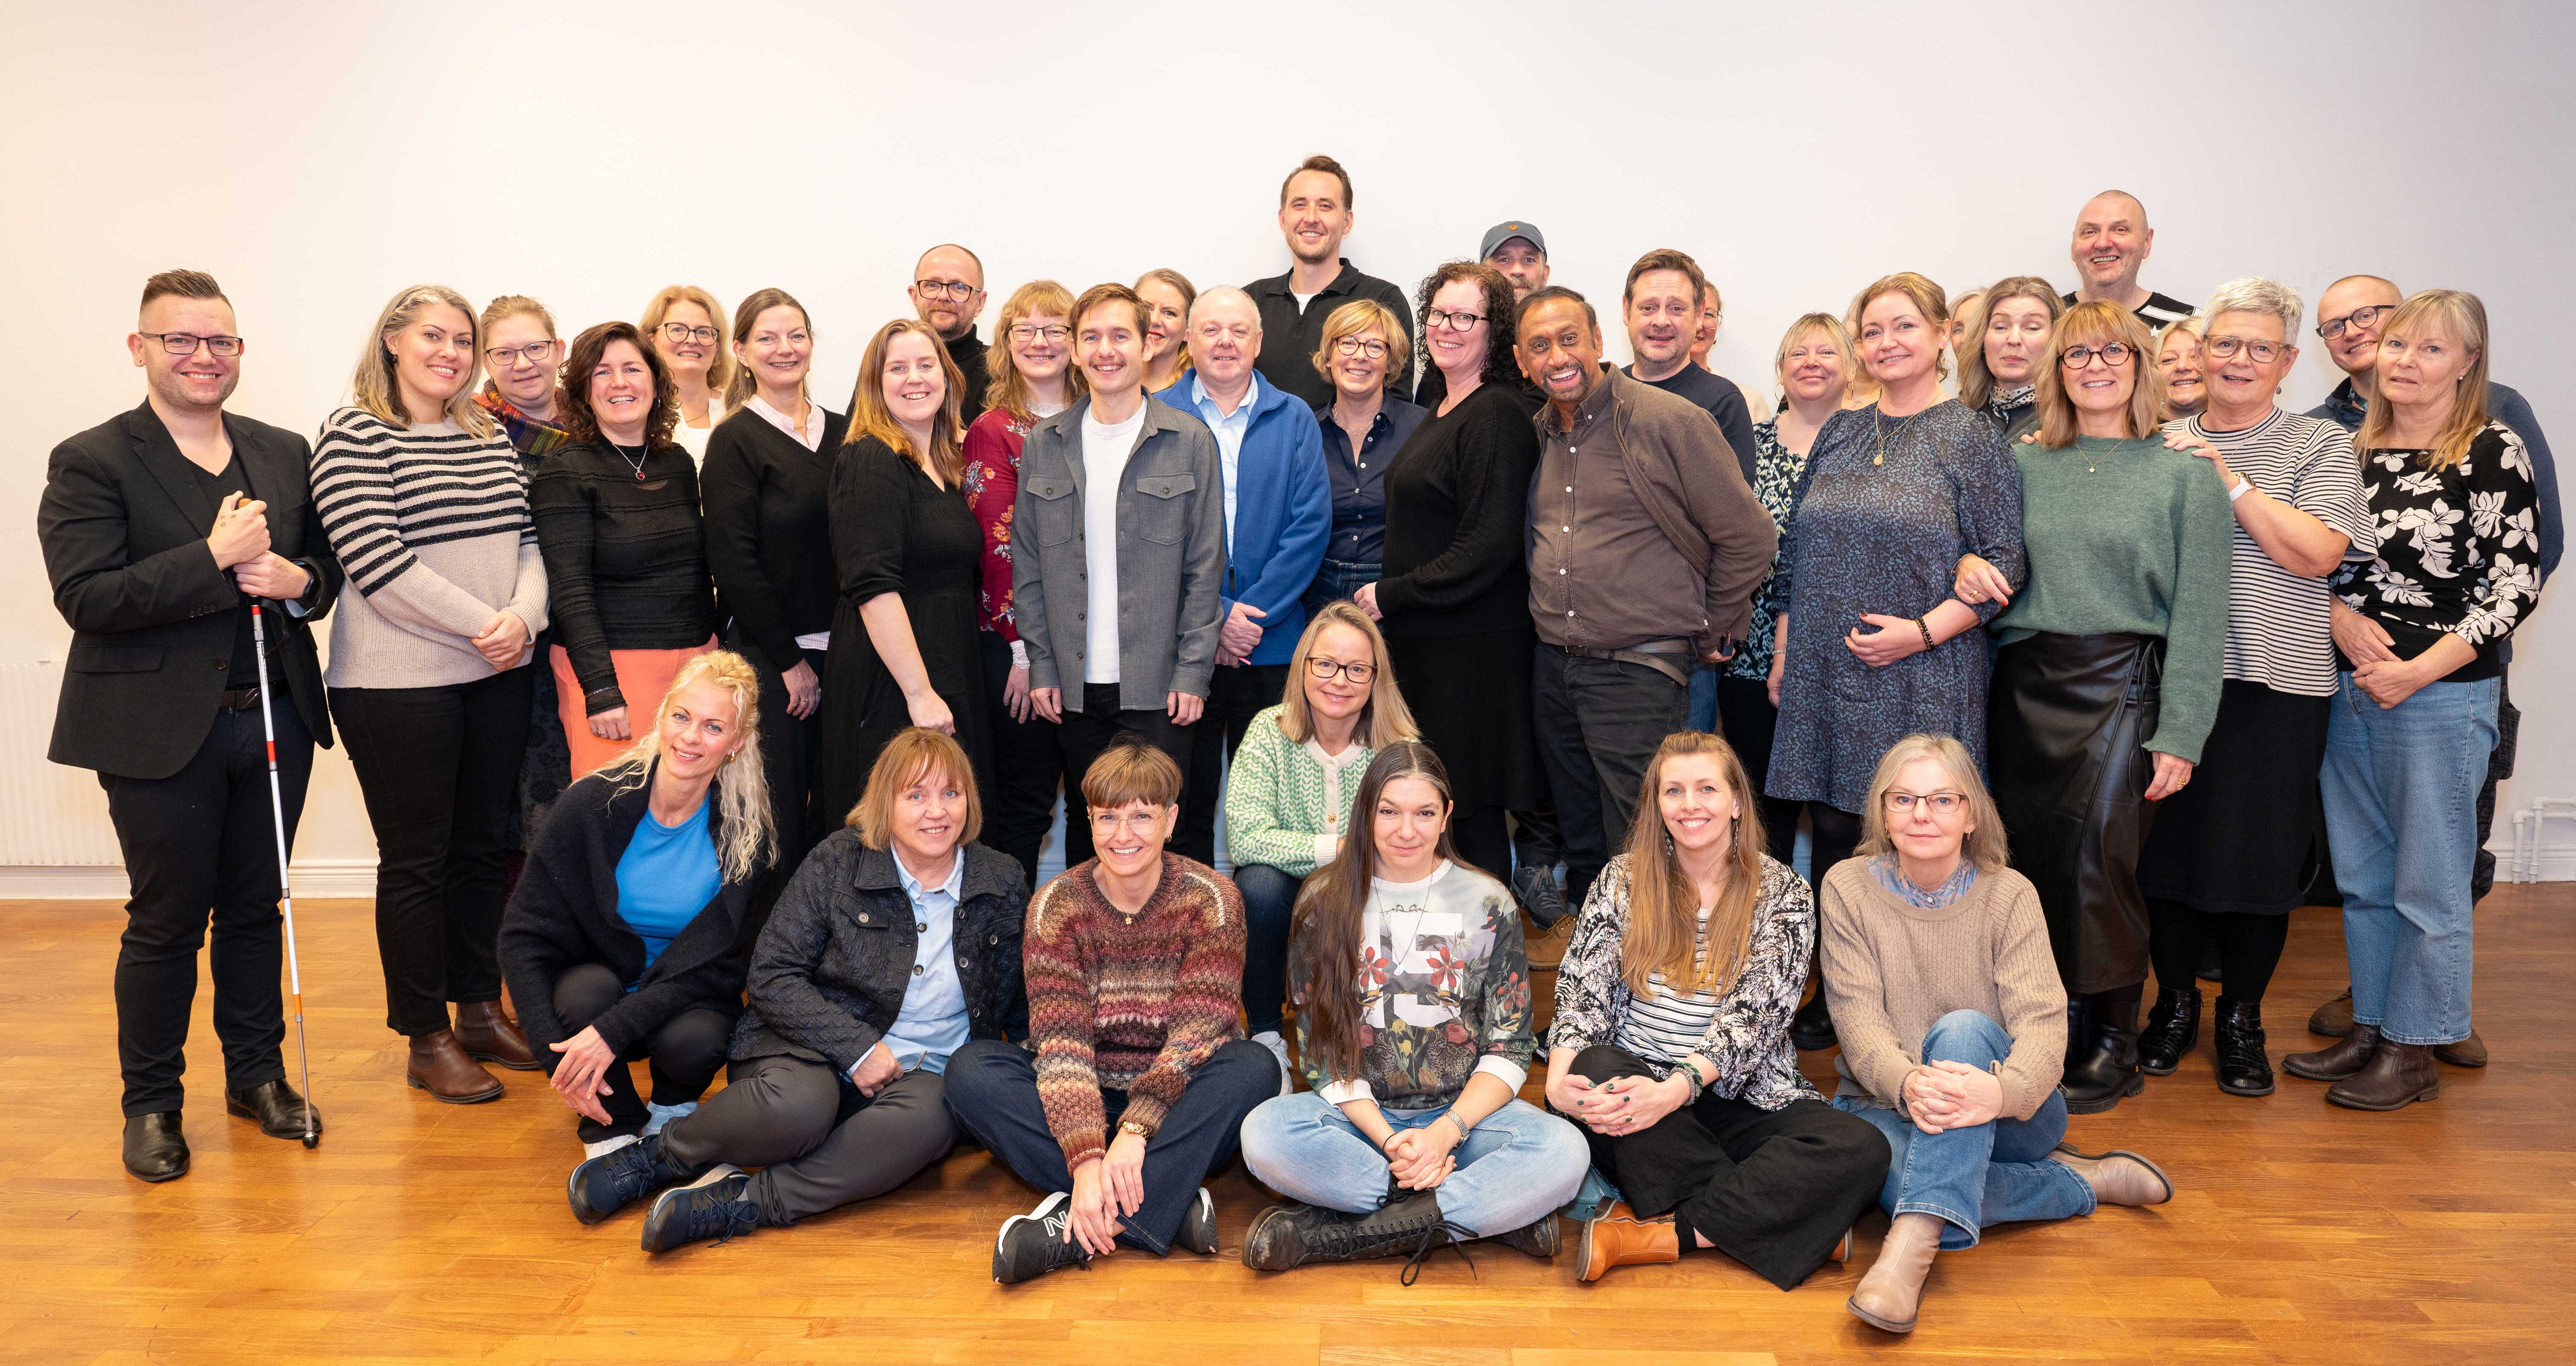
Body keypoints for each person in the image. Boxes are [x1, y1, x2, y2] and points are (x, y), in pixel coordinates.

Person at [42, 269, 341, 1181]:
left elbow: (323, 570)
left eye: (221, 341)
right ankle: (153, 1103)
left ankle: (254, 1078)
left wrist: (300, 584)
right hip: (157, 736)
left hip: (275, 716)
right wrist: (210, 559)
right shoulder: (93, 458)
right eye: (182, 340)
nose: (204, 357)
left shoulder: (283, 450)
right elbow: (86, 596)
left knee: (257, 908)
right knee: (168, 920)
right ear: (141, 348)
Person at [566, 728, 1030, 1251]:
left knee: (935, 1116)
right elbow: (771, 972)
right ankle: (661, 1157)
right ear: (886, 802)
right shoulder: (839, 860)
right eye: (916, 794)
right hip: (801, 1049)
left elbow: (1022, 995)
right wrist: (856, 1048)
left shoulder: (1002, 878)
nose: (936, 811)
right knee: (802, 1109)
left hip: (920, 1081)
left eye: (951, 793)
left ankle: (745, 1204)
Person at [1964, 300, 2233, 1113]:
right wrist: (1970, 564)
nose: (2094, 366)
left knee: (2098, 867)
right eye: (2076, 354)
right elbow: (1982, 553)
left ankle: (2112, 1038)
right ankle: (2055, 1027)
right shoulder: (2020, 462)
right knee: (2029, 870)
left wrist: (2180, 731)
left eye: (2111, 351)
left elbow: (2201, 614)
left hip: (2122, 683)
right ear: (2055, 370)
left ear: (2140, 364)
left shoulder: (2185, 473)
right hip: (2024, 684)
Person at [1820, 735, 2172, 1335]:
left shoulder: (2009, 895)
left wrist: (2000, 1094)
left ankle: (1909, 1254)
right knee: (1898, 1177)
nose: (1922, 814)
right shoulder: (1847, 887)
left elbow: (2042, 1024)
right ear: (1882, 812)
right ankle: (2078, 1182)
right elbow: (1859, 1025)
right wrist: (1908, 1084)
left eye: (1942, 800)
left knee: (1959, 1031)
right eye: (1903, 799)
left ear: (1972, 815)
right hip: (1886, 1104)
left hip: (2013, 1116)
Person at [2284, 291, 2541, 1111]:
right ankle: (2370, 1022)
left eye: (2430, 350)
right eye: (2396, 345)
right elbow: (2311, 562)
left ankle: (2416, 1046)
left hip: (2438, 694)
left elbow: (2512, 583)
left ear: (2467, 362)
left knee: (2428, 881)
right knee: (2360, 876)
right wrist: (2336, 619)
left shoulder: (2488, 449)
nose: (2403, 361)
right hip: (2349, 687)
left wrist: (2417, 669)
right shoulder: (2347, 447)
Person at [2123, 280, 2370, 1099]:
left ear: (2287, 362)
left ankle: (2242, 1016)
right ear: (2198, 351)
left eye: (2258, 348)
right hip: (2167, 682)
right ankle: (2174, 1007)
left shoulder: (2316, 447)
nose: (2237, 360)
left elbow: (2317, 555)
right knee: (2166, 853)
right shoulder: (2155, 440)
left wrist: (2227, 481)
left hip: (2278, 682)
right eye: (2224, 343)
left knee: (2257, 861)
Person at [312, 284, 551, 1103]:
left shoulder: (486, 432)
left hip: (495, 670)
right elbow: (376, 561)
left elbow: (527, 537)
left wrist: (523, 616)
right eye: (432, 337)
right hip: (395, 683)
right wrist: (488, 623)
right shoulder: (353, 433)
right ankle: (426, 1033)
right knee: (418, 860)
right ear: (391, 343)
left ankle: (480, 1007)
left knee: (485, 846)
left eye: (462, 340)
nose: (449, 352)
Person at [1547, 732, 1888, 1287]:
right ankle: (1784, 1214)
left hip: (1737, 1092)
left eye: (1707, 788)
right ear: (1657, 805)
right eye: (1674, 791)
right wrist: (1559, 1086)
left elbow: (1754, 1021)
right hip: (1637, 1087)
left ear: (1736, 802)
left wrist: (1677, 1089)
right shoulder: (1621, 879)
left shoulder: (1785, 893)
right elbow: (1582, 995)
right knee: (1596, 1071)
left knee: (1861, 1148)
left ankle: (1662, 1234)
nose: (1690, 805)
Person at [1238, 742, 1586, 1276]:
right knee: (1262, 1134)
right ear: (1367, 813)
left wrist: (1445, 1132)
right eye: (1389, 811)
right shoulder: (1322, 901)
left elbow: (1511, 1043)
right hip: (1360, 1127)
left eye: (1425, 812)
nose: (1407, 830)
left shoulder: (1489, 900)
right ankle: (1486, 1213)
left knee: (1564, 1150)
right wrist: (1392, 1141)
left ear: (1447, 814)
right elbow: (1322, 1051)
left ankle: (1346, 1234)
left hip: (1466, 1123)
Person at [943, 742, 1280, 1284]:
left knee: (1255, 1068)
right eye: (1108, 817)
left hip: (1178, 1096)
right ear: (1090, 820)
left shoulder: (1214, 900)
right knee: (969, 1072)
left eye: (1142, 816)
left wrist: (1138, 1129)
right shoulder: (1056, 906)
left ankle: (1080, 1227)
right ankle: (1163, 1203)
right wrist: (1086, 1158)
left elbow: (1198, 1035)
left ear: (1171, 820)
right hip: (1084, 1094)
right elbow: (1061, 1046)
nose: (1124, 835)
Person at [1766, 273, 2023, 946]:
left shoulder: (1969, 436)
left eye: (1905, 325)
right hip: (1825, 669)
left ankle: (1920, 983)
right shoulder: (1842, 430)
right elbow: (1796, 549)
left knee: (1918, 833)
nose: (1887, 342)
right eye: (1873, 330)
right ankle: (1836, 985)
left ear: (1942, 335)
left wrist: (1920, 634)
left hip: (1924, 674)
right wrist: (1787, 656)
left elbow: (2005, 567)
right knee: (1829, 829)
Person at [1518, 284, 1776, 915]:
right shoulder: (1544, 432)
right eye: (1540, 346)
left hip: (1637, 672)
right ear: (1524, 363)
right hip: (1557, 667)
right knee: (1582, 845)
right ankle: (1592, 993)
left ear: (1600, 341)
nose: (1558, 356)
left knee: (1640, 850)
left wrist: (1714, 623)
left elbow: (1751, 537)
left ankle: (1656, 997)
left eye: (1570, 338)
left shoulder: (1669, 420)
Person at [500, 652, 768, 1162]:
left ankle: (672, 1108)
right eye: (682, 716)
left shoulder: (743, 838)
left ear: (735, 746)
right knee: (585, 994)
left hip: (682, 999)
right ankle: (611, 1120)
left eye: (713, 727)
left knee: (699, 1038)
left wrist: (614, 1030)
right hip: (600, 989)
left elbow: (720, 968)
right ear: (663, 715)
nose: (690, 737)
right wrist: (554, 1060)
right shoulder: (590, 806)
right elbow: (522, 938)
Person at [1011, 283, 1225, 867]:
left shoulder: (1188, 441)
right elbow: (1027, 566)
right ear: (1076, 352)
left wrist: (1192, 672)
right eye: (1092, 338)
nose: (1106, 350)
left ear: (1147, 344)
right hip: (1077, 690)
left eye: (1120, 336)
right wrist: (1043, 666)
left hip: (1161, 686)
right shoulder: (1045, 444)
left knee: (1164, 840)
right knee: (1092, 838)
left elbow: (1207, 569)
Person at [1354, 262, 1545, 891]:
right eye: (1438, 314)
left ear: (1496, 331)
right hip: (1430, 651)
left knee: (1471, 816)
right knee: (1439, 810)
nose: (1448, 328)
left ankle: (1489, 966)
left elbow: (1487, 549)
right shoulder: (1441, 408)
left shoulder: (1497, 413)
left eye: (1466, 317)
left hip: (1473, 657)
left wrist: (1391, 594)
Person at [1713, 316, 1854, 1050]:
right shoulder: (1750, 444)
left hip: (1839, 659)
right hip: (1747, 659)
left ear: (1850, 364)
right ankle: (1759, 975)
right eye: (1796, 350)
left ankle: (1834, 984)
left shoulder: (1867, 443)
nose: (1809, 361)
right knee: (1759, 820)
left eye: (1824, 349)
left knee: (1835, 823)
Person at [1168, 286, 1331, 868]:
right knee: (1184, 805)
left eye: (1239, 330)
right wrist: (1216, 616)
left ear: (1259, 342)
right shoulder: (1157, 415)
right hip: (1184, 645)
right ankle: (1190, 936)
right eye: (1211, 329)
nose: (1225, 342)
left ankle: (1263, 940)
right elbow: (1149, 541)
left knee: (1272, 810)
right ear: (1189, 341)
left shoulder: (1294, 419)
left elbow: (1310, 526)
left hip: (1272, 643)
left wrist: (1249, 616)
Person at [1222, 602, 1419, 1079]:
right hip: (1287, 892)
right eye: (1326, 664)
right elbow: (1246, 838)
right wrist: (1341, 848)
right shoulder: (1268, 731)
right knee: (1258, 886)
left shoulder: (1397, 745)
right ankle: (1268, 1035)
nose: (1339, 681)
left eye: (1356, 669)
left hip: (1369, 888)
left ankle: (1373, 1027)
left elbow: (1404, 842)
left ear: (1375, 677)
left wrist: (1357, 857)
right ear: (1304, 666)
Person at [701, 289, 845, 929]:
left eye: (796, 336)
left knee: (839, 810)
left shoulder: (847, 431)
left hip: (849, 651)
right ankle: (773, 966)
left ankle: (837, 952)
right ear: (741, 352)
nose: (784, 349)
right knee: (778, 819)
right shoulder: (734, 440)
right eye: (767, 338)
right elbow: (733, 565)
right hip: (772, 656)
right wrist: (789, 663)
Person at [817, 318, 993, 830]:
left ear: (948, 376)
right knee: (896, 832)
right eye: (897, 368)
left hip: (946, 660)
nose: (914, 378)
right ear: (875, 384)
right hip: (893, 679)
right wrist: (919, 692)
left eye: (926, 364)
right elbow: (873, 588)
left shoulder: (944, 462)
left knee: (947, 830)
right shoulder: (871, 458)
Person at [532, 322, 721, 780]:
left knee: (690, 812)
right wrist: (600, 690)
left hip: (696, 664)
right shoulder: (565, 470)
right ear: (582, 390)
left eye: (632, 369)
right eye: (602, 372)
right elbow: (570, 589)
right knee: (614, 816)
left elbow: (696, 570)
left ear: (655, 384)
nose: (619, 383)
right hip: (613, 669)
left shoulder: (677, 462)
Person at [963, 281, 1082, 888]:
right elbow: (998, 545)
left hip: (1096, 650)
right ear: (1005, 343)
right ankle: (1009, 973)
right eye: (1025, 329)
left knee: (1099, 808)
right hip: (1023, 651)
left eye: (1055, 327)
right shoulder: (993, 429)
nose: (1040, 341)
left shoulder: (1105, 415)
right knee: (1024, 810)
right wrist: (1024, 652)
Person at [474, 296, 578, 889]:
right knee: (514, 804)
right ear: (486, 360)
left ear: (558, 350)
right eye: (505, 352)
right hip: (503, 640)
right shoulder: (471, 430)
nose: (523, 363)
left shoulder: (596, 422)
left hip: (586, 637)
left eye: (535, 347)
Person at [1248, 154, 1416, 408]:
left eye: (1325, 206)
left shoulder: (1383, 301)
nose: (1312, 217)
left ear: (1347, 222)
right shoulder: (1251, 303)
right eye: (1300, 205)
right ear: (1283, 219)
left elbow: (1398, 407)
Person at [1306, 299, 1424, 619]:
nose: (1360, 355)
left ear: (1391, 362)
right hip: (1315, 599)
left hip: (1396, 599)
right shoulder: (1303, 433)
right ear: (1329, 357)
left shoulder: (1425, 430)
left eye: (1375, 346)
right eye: (1347, 343)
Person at [1617, 250, 1759, 483]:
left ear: (1699, 314)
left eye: (1676, 309)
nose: (1661, 321)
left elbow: (1733, 513)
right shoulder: (1605, 392)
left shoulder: (1724, 404)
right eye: (1648, 308)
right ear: (1626, 310)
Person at [1414, 220, 1549, 412]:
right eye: (1504, 260)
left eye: (1529, 260)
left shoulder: (1556, 349)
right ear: (1483, 274)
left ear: (1546, 274)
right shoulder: (1452, 348)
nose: (1517, 270)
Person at [2061, 190, 2194, 327]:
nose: (2102, 243)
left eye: (2120, 230)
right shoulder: (2048, 324)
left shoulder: (2190, 326)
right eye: (2089, 232)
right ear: (2073, 246)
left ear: (2147, 242)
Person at [1955, 275, 2063, 442]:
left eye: (2032, 328)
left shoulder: (2071, 419)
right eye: (2000, 327)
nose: (2014, 339)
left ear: (2056, 338)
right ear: (1982, 339)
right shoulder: (1956, 414)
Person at [641, 285, 731, 464]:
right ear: (651, 342)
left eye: (704, 332)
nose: (691, 340)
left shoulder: (738, 409)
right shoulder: (638, 413)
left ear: (717, 349)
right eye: (677, 329)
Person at [911, 244, 991, 426]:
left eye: (959, 287)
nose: (943, 296)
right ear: (914, 296)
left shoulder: (1002, 371)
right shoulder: (887, 366)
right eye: (932, 285)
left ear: (980, 303)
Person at [1136, 268, 1197, 396]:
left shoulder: (1196, 394)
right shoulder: (1102, 380)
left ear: (1188, 330)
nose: (1154, 320)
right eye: (1146, 308)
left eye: (1169, 313)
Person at [2156, 316, 2208, 422]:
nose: (2182, 366)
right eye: (2169, 360)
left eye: (2195, 356)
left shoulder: (2245, 432)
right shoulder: (2133, 434)